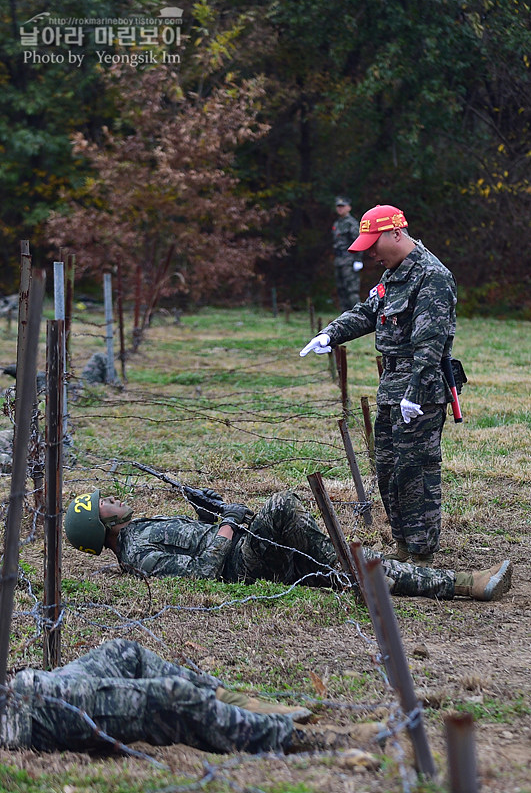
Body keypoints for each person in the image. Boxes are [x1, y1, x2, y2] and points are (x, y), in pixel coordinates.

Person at [300, 204, 457, 567]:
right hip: (391, 387)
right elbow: (368, 311)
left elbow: (431, 344)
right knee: (388, 469)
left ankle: (421, 553)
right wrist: (330, 335)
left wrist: (415, 393)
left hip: (420, 389)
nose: (370, 253)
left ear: (396, 234)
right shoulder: (393, 274)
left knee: (415, 470)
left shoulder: (431, 276)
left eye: (374, 244)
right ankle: (403, 544)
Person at [63, 488, 512, 602]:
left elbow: (194, 539)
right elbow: (201, 573)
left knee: (354, 569)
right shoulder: (138, 553)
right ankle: (352, 565)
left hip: (244, 549)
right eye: (104, 506)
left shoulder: (140, 530)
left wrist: (212, 514)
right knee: (281, 505)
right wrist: (229, 529)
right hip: (243, 565)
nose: (113, 501)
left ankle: (466, 583)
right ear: (100, 528)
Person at [0, 638, 373, 754]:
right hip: (23, 716)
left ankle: (235, 702)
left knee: (124, 653)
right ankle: (309, 740)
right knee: (169, 698)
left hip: (27, 687)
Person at [332, 196, 364, 310]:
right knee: (341, 290)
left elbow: (358, 242)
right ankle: (345, 316)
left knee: (352, 290)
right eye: (338, 207)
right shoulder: (337, 223)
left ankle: (358, 314)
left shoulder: (351, 223)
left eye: (342, 206)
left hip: (349, 260)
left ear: (349, 208)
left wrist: (358, 260)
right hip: (339, 260)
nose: (340, 209)